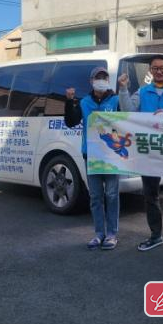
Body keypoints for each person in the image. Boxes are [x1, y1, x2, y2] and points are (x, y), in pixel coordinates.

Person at [118, 56, 163, 254]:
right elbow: (128, 111)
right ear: (150, 70)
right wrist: (123, 89)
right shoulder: (142, 91)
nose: (159, 71)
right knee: (150, 196)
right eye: (155, 68)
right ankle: (155, 235)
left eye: (162, 68)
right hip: (148, 151)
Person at [64, 67, 120, 251]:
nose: (101, 80)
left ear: (108, 81)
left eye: (104, 77)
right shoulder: (84, 102)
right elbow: (71, 121)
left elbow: (128, 121)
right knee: (95, 196)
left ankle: (111, 234)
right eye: (98, 78)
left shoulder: (116, 100)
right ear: (91, 81)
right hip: (91, 155)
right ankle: (99, 233)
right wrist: (69, 101)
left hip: (111, 155)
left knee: (112, 195)